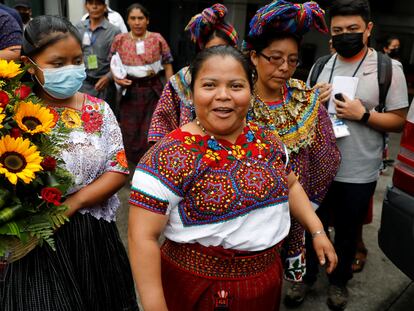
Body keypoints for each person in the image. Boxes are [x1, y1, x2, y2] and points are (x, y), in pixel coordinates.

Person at [128, 44, 337, 311]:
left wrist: (317, 230)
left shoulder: (268, 140)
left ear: (251, 92)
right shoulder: (167, 156)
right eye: (210, 85)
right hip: (197, 289)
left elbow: (292, 184)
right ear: (191, 93)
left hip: (265, 281)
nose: (223, 96)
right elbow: (142, 237)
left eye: (236, 86)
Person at [1, 15, 138, 311]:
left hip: (93, 241)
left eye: (77, 60)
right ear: (29, 65)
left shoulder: (97, 110)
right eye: (58, 63)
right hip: (35, 243)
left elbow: (118, 168)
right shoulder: (12, 115)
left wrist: (70, 205)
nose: (71, 70)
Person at [303, 1, 409, 310]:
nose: (345, 35)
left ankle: (338, 283)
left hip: (358, 169)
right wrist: (314, 101)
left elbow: (399, 120)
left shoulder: (389, 69)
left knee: (348, 232)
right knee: (313, 225)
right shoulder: (321, 64)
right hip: (318, 167)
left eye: (353, 30)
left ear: (368, 30)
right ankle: (307, 277)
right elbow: (305, 113)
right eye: (338, 30)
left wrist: (363, 115)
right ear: (330, 33)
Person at [242, 0, 341, 301]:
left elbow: (328, 155)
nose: (284, 68)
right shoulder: (236, 98)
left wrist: (308, 203)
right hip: (246, 211)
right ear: (254, 56)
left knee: (273, 285)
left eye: (292, 60)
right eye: (274, 58)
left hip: (299, 208)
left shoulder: (305, 99)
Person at [148, 3, 238, 142]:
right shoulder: (183, 78)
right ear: (202, 50)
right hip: (190, 152)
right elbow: (162, 121)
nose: (220, 56)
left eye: (225, 49)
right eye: (212, 51)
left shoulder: (244, 79)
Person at [110, 3, 173, 163]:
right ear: (128, 21)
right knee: (130, 131)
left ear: (147, 20)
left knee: (151, 130)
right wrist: (117, 79)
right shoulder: (120, 40)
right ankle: (132, 168)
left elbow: (167, 63)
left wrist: (169, 89)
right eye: (133, 18)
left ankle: (150, 165)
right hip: (129, 92)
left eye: (140, 18)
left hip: (153, 91)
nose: (137, 22)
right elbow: (112, 63)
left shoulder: (157, 38)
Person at [76, 0, 121, 115]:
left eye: (98, 4)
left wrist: (109, 77)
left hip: (104, 84)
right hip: (83, 83)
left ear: (105, 7)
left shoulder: (114, 31)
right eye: (91, 3)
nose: (94, 7)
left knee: (103, 121)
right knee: (82, 120)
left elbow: (119, 60)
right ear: (86, 6)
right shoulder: (79, 28)